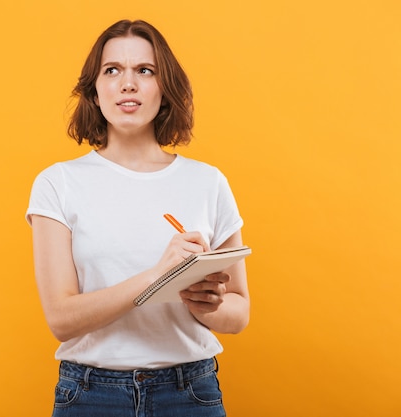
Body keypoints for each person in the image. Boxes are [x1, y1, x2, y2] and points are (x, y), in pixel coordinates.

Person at [26, 19, 249, 417]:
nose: (128, 84)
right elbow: (61, 319)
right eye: (112, 71)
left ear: (164, 90)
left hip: (189, 393)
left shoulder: (207, 182)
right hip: (90, 395)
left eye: (145, 71)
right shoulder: (58, 183)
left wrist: (203, 302)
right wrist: (157, 277)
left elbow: (238, 313)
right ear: (94, 90)